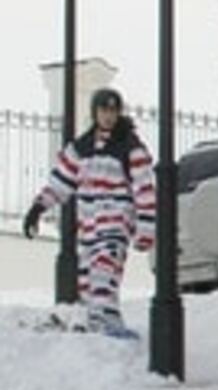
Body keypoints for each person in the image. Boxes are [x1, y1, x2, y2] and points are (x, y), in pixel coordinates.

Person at [21, 88, 156, 337]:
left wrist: (146, 229)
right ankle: (108, 325)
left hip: (115, 221)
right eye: (103, 110)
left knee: (103, 270)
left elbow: (145, 190)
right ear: (95, 112)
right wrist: (38, 208)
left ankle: (101, 321)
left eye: (113, 110)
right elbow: (60, 183)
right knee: (86, 278)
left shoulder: (130, 147)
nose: (108, 116)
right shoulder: (81, 148)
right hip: (90, 226)